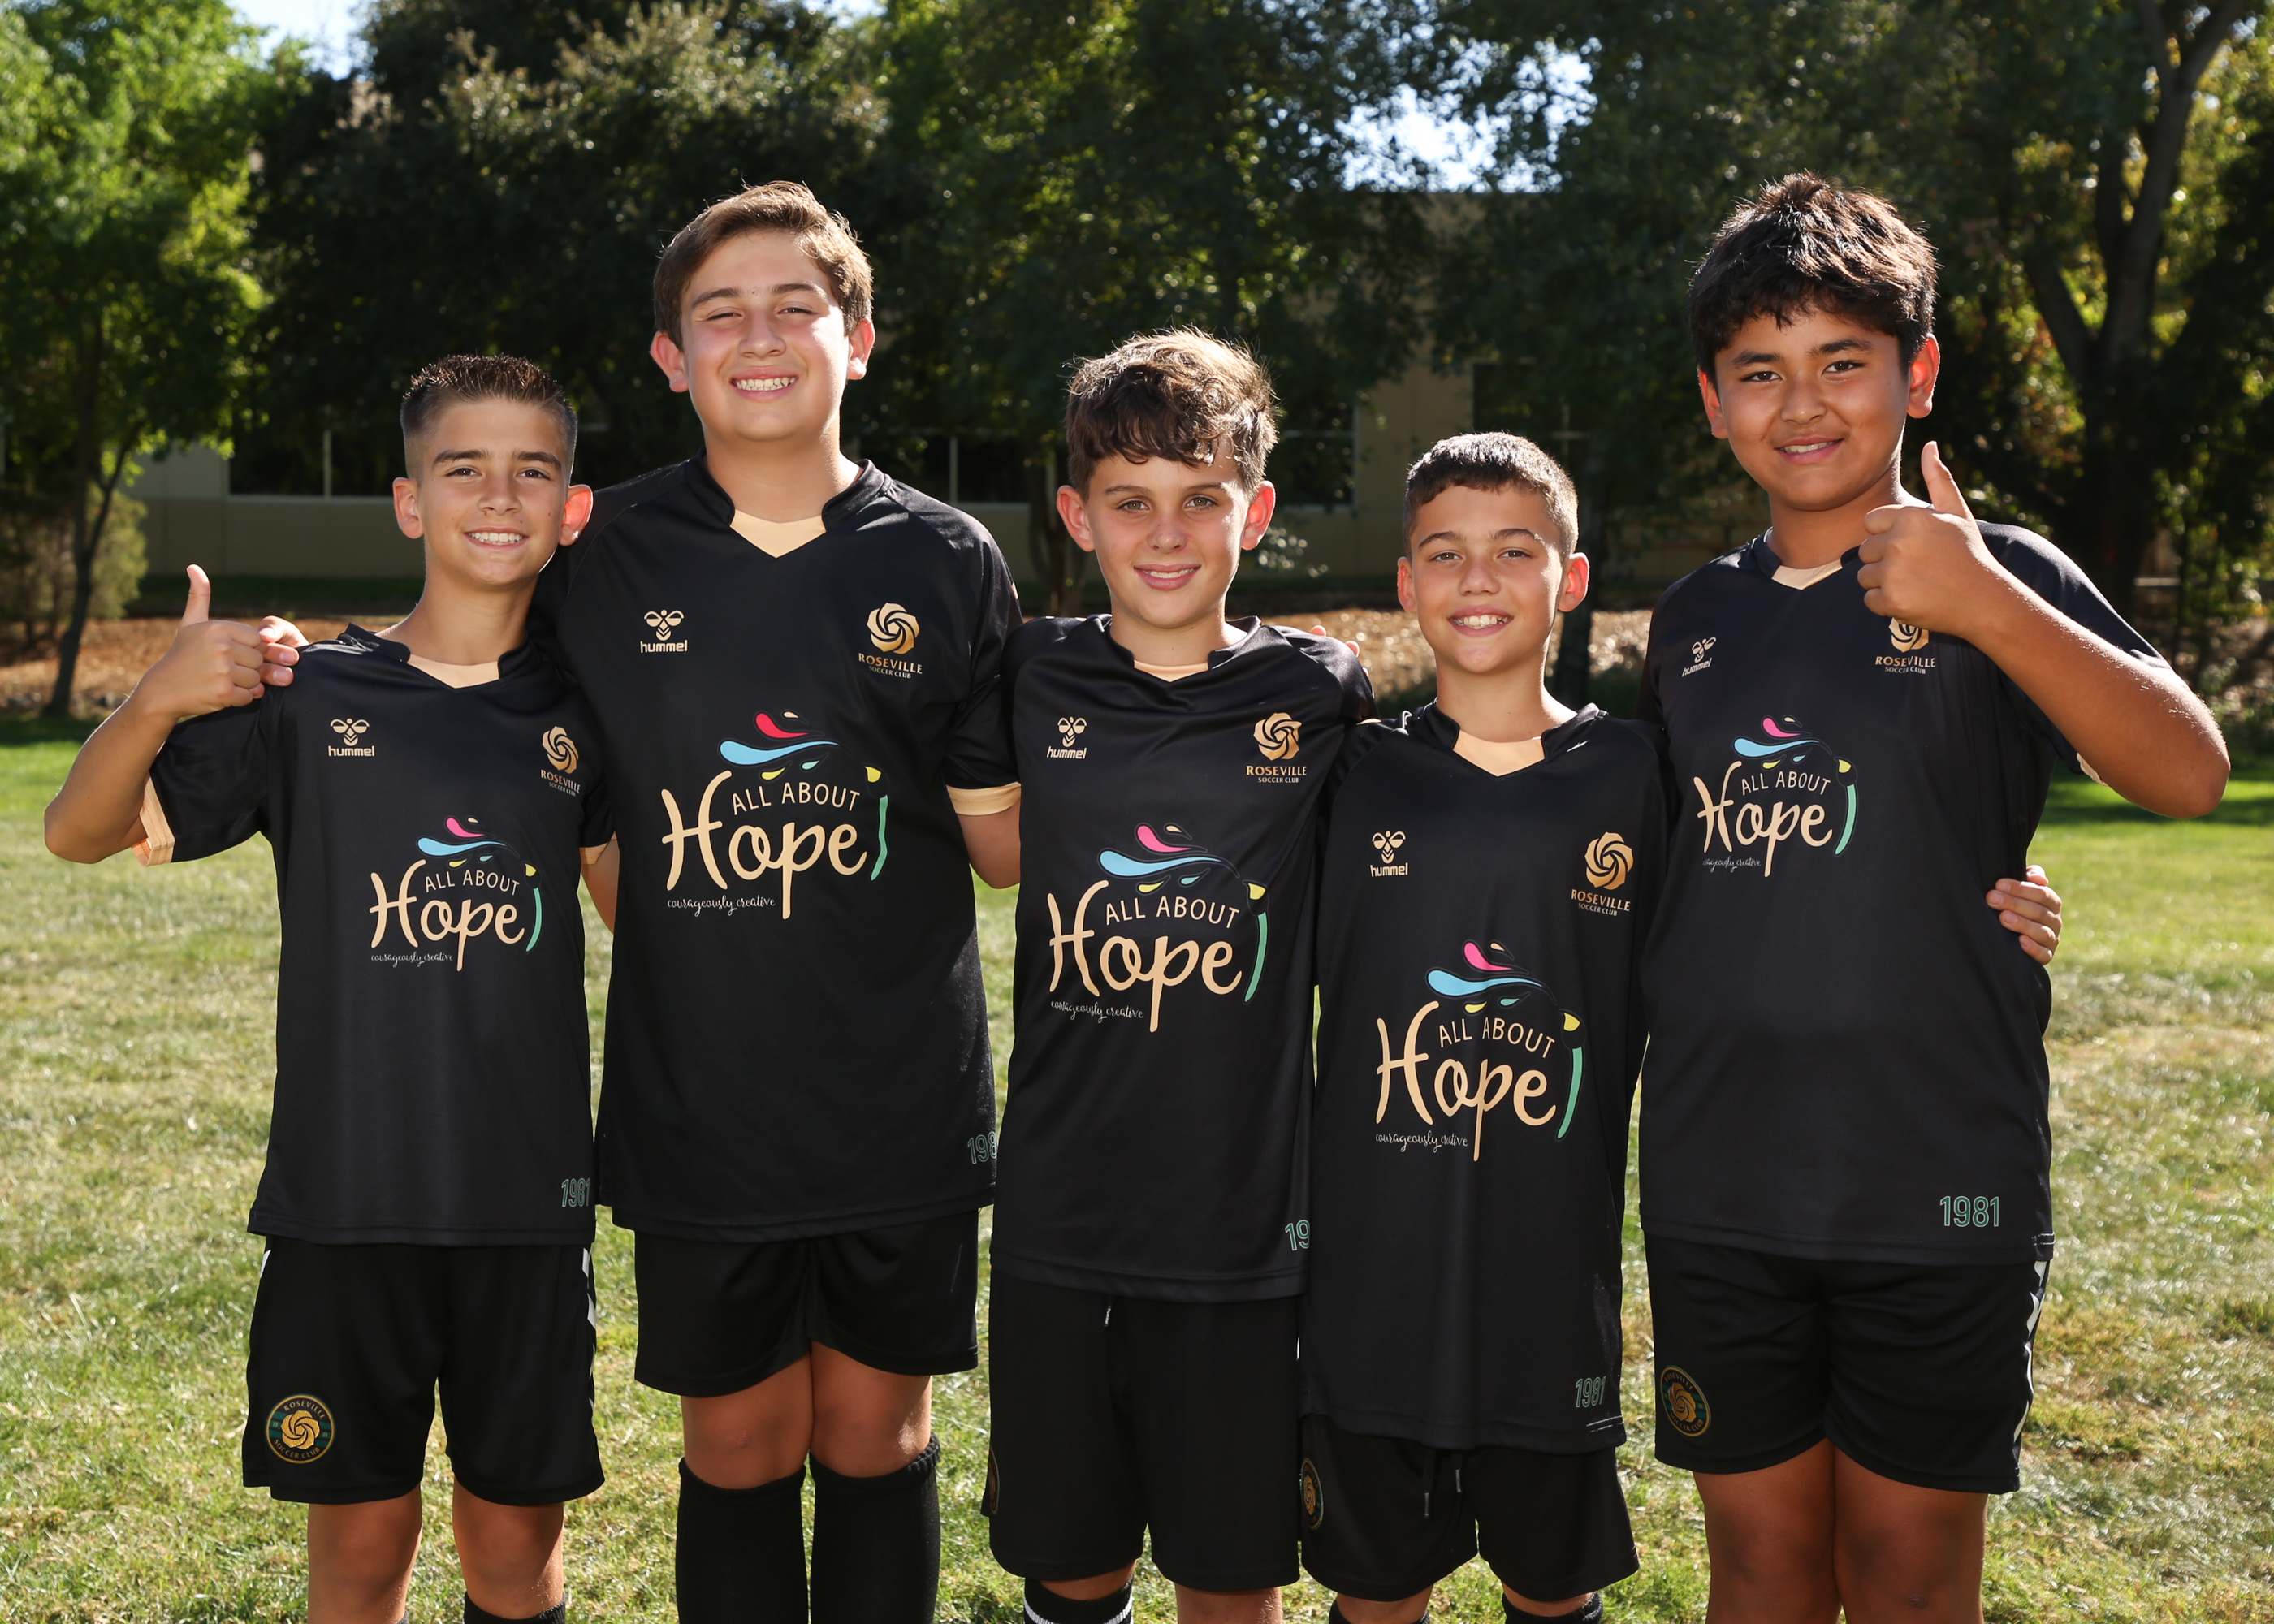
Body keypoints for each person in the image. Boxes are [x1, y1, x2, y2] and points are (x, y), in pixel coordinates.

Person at [259, 182, 1022, 1624]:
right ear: (672, 356)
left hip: (901, 1099)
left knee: (877, 1434)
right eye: (720, 313)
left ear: (859, 338)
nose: (760, 336)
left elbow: (1001, 838)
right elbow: (510, 731)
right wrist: (285, 673)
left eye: (797, 306)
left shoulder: (946, 557)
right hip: (698, 1101)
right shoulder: (599, 552)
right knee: (736, 1443)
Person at [1636, 172, 2227, 1623]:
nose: (1804, 404)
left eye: (1843, 360)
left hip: (1934, 1174)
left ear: (1919, 374)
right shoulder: (1694, 621)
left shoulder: (2000, 571)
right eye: (1760, 371)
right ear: (1713, 401)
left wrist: (1981, 604)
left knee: (1906, 1574)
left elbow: (2188, 772)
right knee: (1761, 1568)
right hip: (1722, 1174)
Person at [45, 355, 616, 1624]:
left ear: (573, 508)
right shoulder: (308, 697)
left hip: (527, 1206)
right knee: (360, 1553)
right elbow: (75, 832)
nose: (498, 495)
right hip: (345, 1204)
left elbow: (654, 918)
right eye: (461, 468)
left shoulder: (585, 714)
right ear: (409, 501)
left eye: (533, 470)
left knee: (514, 1548)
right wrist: (156, 700)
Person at [984, 330, 1373, 1624]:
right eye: (1130, 501)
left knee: (1229, 1571)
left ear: (1255, 512)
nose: (1166, 534)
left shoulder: (1318, 690)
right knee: (1072, 1567)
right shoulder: (1031, 672)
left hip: (1243, 1222)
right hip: (1061, 1210)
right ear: (1075, 516)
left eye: (1202, 498)